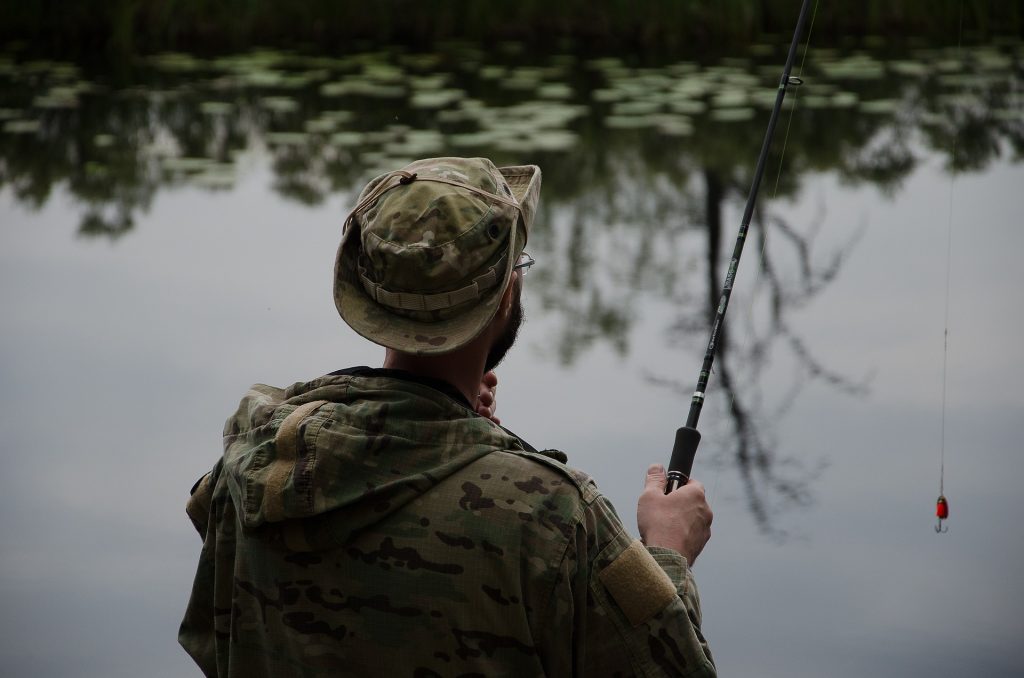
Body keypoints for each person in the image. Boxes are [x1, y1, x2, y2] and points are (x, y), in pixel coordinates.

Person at [179, 156, 716, 677]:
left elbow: (211, 644)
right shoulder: (554, 516)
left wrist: (462, 433)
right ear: (505, 297)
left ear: (369, 298)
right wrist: (669, 552)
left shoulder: (250, 467)